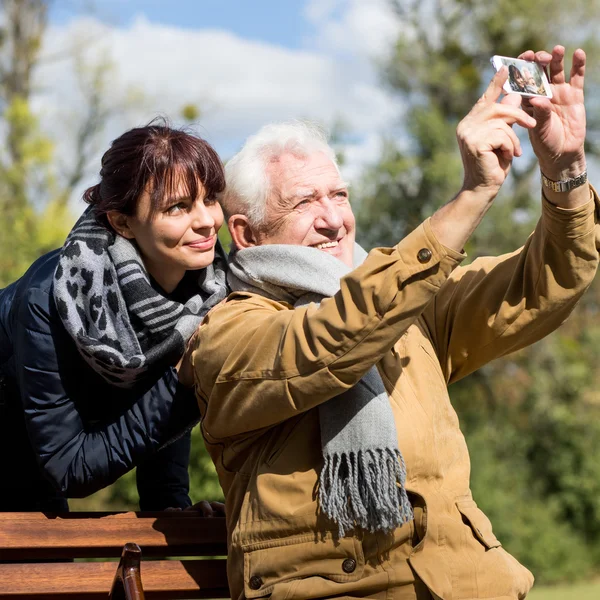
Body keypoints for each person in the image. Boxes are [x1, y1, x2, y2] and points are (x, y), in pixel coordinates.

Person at [188, 46, 598, 599]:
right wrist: (474, 194)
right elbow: (329, 340)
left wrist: (566, 172)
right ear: (246, 232)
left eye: (339, 194)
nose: (334, 219)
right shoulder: (225, 333)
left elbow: (543, 282)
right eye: (305, 202)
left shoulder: (403, 297)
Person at [0, 122, 228, 512]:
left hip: (38, 482)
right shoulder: (53, 299)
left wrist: (169, 503)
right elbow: (68, 466)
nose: (206, 220)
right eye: (178, 206)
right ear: (122, 222)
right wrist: (182, 381)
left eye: (210, 199)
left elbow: (155, 375)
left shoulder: (204, 293)